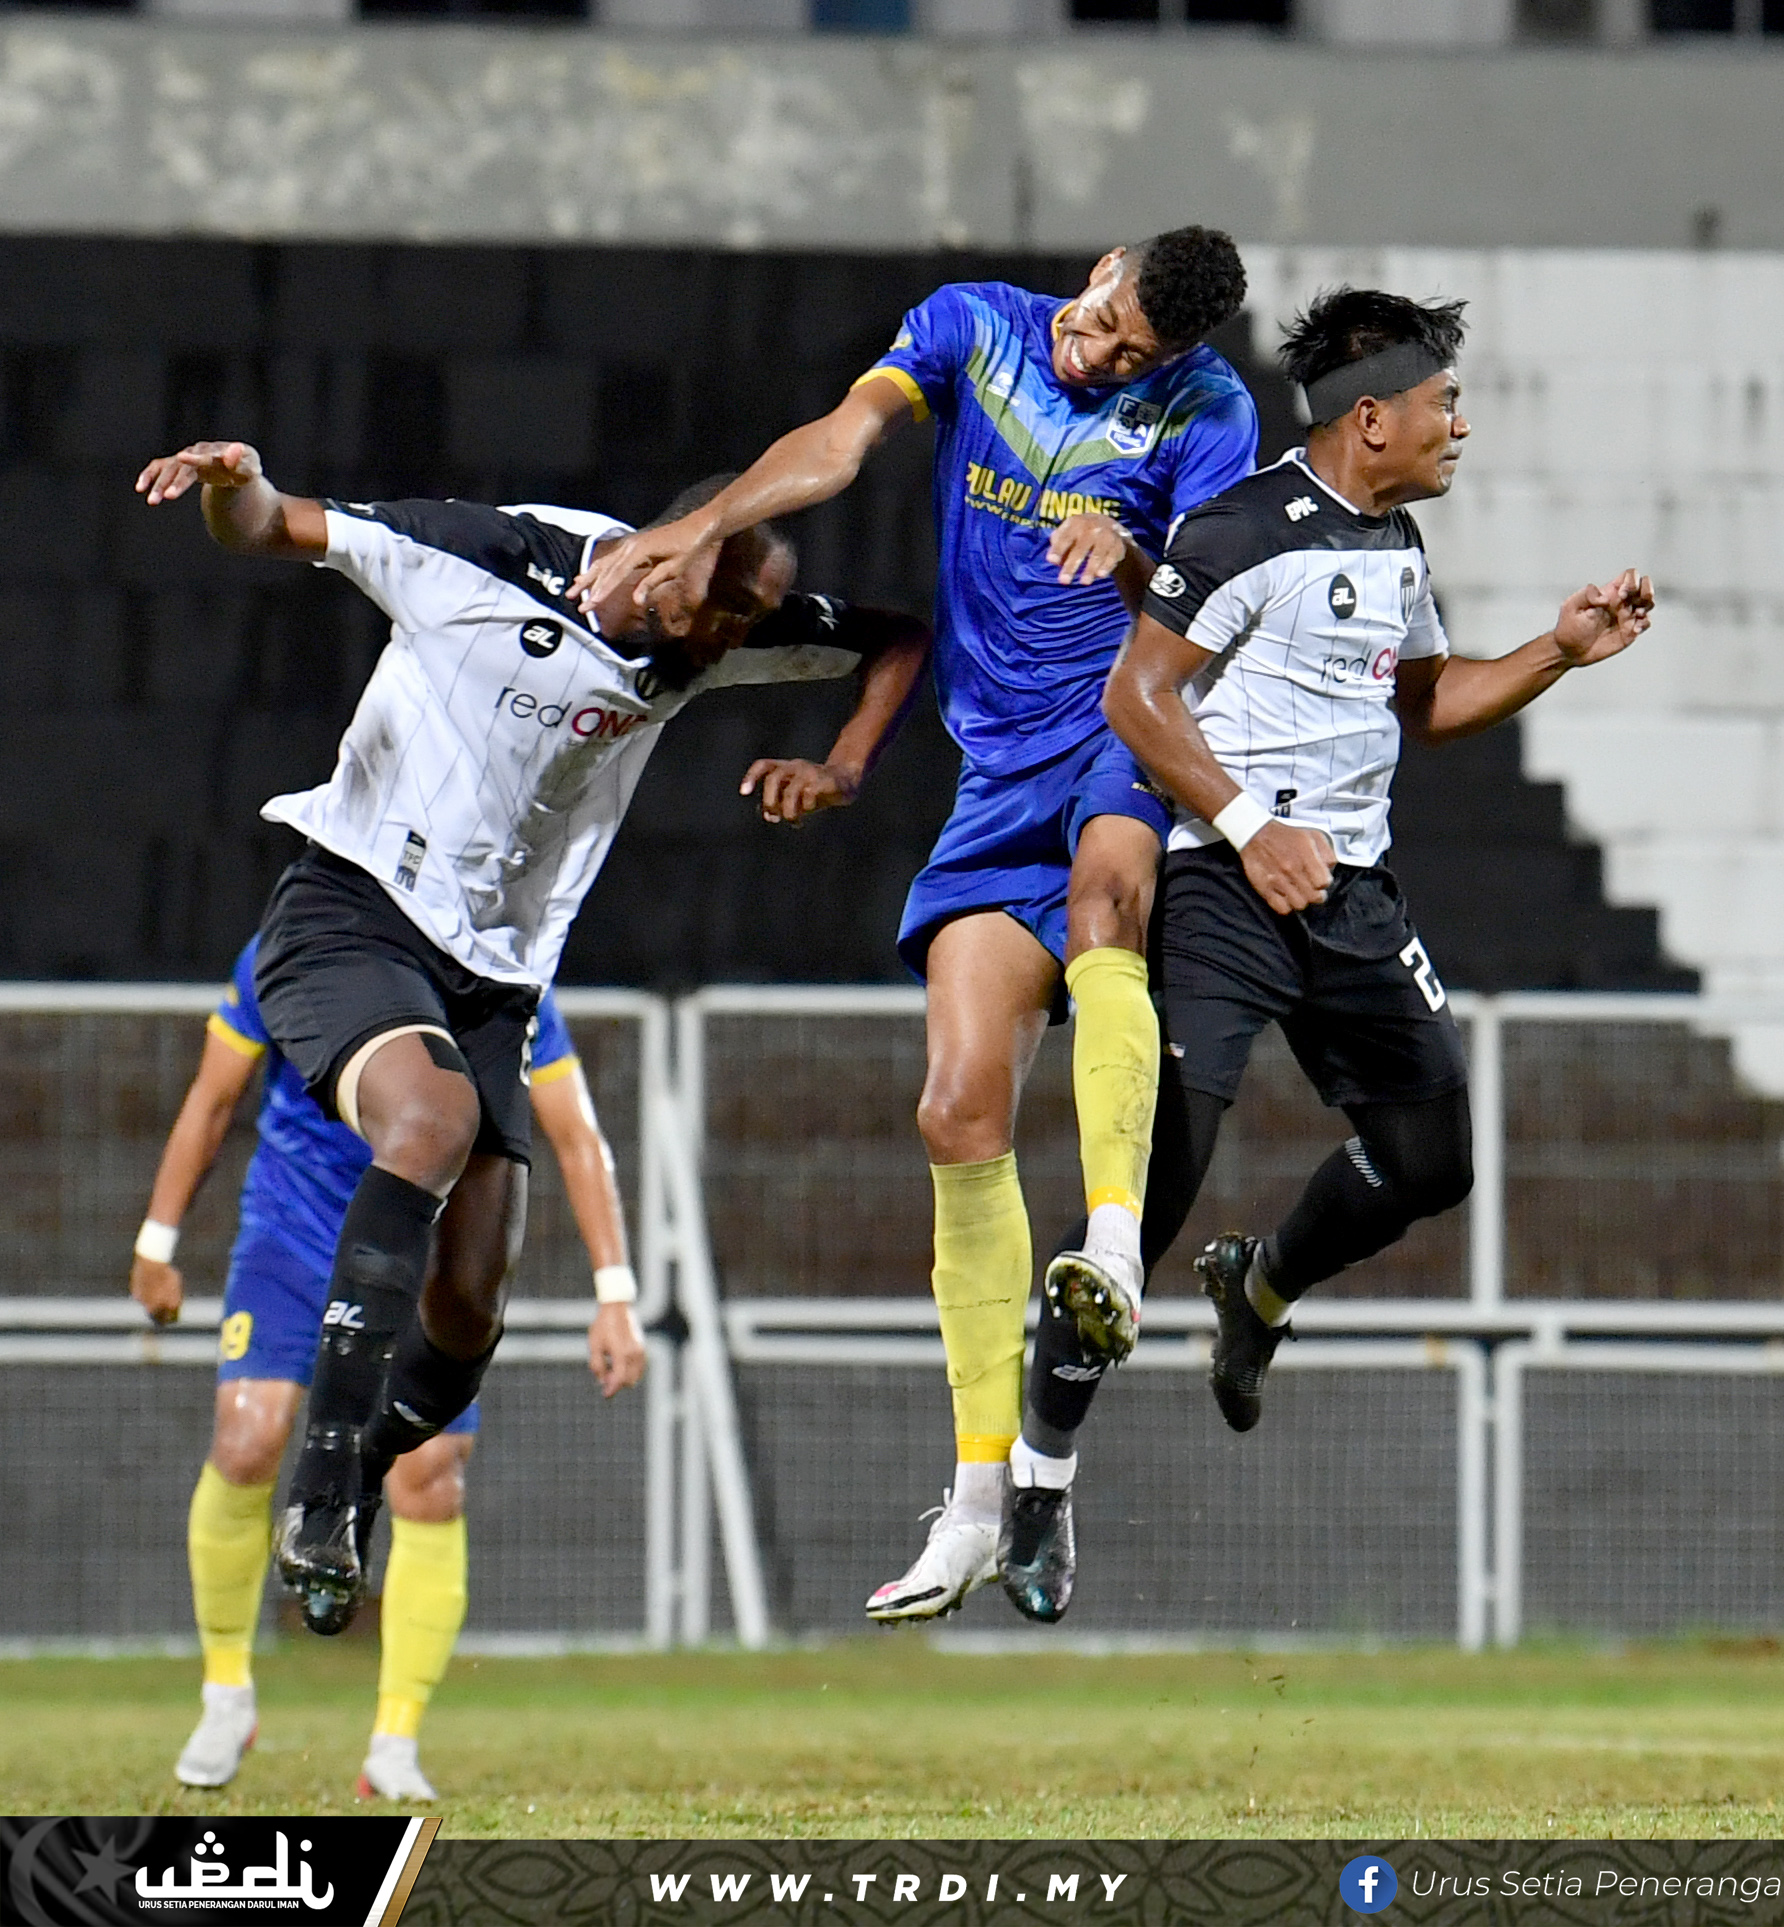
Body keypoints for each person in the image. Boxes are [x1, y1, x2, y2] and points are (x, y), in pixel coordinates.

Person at [569, 231, 1258, 1624]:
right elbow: (839, 443)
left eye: (1132, 354)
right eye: (1103, 321)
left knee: (1108, 899)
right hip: (996, 772)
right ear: (1103, 266)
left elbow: (1216, 607)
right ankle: (979, 1500)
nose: (1101, 355)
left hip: (1124, 730)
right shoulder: (973, 327)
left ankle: (1111, 1248)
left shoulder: (1208, 410)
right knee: (954, 1110)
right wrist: (703, 526)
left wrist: (1133, 556)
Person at [132, 438, 928, 1636]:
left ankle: (356, 1475)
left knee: (467, 1315)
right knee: (431, 1121)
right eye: (723, 609)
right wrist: (232, 481)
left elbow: (899, 638)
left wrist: (844, 765)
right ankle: (321, 1490)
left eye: (750, 622)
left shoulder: (712, 628)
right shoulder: (481, 555)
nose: (732, 640)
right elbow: (272, 526)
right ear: (668, 557)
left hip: (494, 981)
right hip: (352, 911)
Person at [1018, 285, 1656, 1622]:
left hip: (1352, 895)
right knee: (1156, 1181)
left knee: (1435, 1160)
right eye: (1443, 404)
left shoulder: (1397, 540)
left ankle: (1261, 1287)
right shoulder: (1241, 528)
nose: (1457, 426)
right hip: (1228, 887)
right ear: (1372, 417)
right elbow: (1138, 694)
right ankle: (1038, 1481)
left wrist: (1559, 649)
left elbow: (1427, 702)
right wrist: (1251, 829)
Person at [131, 943, 640, 1800]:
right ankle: (225, 1695)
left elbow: (575, 1133)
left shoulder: (500, 970)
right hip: (293, 1235)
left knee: (431, 1478)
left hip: (415, 1251)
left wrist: (616, 1293)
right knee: (249, 1434)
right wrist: (157, 1240)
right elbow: (213, 1097)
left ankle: (395, 1742)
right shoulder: (301, 943)